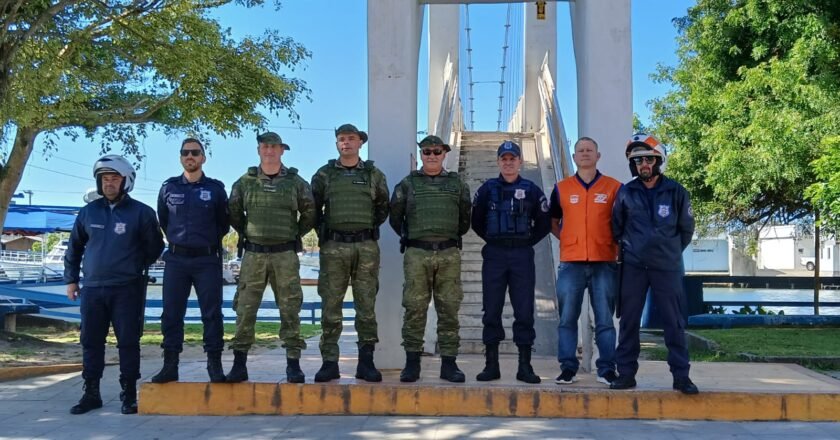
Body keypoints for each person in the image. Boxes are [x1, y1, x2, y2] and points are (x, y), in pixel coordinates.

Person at [64, 155, 165, 415]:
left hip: (127, 288)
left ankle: (128, 394)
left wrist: (132, 265)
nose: (109, 183)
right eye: (105, 179)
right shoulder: (88, 212)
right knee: (91, 341)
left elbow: (155, 247)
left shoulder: (142, 213)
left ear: (126, 181)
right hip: (93, 288)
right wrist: (71, 280)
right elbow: (74, 248)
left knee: (128, 342)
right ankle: (91, 393)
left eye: (114, 179)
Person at [610, 133, 699, 395]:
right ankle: (626, 374)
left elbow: (686, 230)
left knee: (673, 322)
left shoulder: (676, 191)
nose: (644, 165)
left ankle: (681, 377)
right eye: (638, 161)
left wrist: (668, 252)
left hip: (666, 268)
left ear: (658, 161)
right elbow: (616, 227)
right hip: (633, 268)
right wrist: (634, 251)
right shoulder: (626, 192)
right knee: (629, 321)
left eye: (648, 159)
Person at [226, 132, 316, 384]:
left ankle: (293, 364)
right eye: (265, 146)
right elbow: (234, 213)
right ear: (259, 150)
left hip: (284, 255)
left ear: (282, 150)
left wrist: (294, 235)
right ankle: (239, 364)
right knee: (245, 308)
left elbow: (310, 213)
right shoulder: (245, 182)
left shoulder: (296, 183)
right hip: (254, 254)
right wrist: (249, 234)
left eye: (274, 147)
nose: (269, 151)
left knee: (290, 308)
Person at [310, 123, 389, 383]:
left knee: (366, 306)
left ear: (360, 143)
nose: (346, 142)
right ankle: (329, 363)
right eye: (341, 139)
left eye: (351, 138)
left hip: (365, 247)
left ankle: (366, 363)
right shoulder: (324, 175)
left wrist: (364, 229)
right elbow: (313, 209)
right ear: (336, 143)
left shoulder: (373, 174)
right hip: (334, 247)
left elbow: (383, 207)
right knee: (330, 306)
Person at [389, 135, 472, 383]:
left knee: (449, 309)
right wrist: (414, 237)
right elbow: (395, 217)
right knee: (414, 308)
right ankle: (412, 364)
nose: (432, 156)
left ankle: (449, 364)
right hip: (417, 253)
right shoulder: (407, 184)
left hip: (448, 253)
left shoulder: (457, 184)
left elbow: (464, 218)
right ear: (421, 155)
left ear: (444, 154)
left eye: (436, 152)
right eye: (427, 152)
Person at [470, 140, 551, 384]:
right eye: (504, 159)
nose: (508, 163)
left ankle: (524, 367)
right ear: (498, 162)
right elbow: (476, 221)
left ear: (520, 162)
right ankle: (491, 365)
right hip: (495, 255)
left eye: (512, 159)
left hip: (522, 256)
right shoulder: (487, 189)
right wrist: (495, 240)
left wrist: (524, 242)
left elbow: (544, 223)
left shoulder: (532, 190)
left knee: (524, 311)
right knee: (491, 310)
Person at [151, 138, 229, 384]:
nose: (190, 156)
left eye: (195, 152)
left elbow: (223, 224)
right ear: (180, 157)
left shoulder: (215, 189)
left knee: (212, 313)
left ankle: (214, 364)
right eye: (185, 153)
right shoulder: (169, 188)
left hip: (207, 260)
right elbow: (164, 221)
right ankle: (170, 364)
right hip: (176, 260)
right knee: (171, 313)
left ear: (203, 158)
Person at [550, 137, 623, 386]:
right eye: (580, 150)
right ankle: (568, 368)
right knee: (567, 319)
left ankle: (606, 369)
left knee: (605, 320)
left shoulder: (614, 188)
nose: (585, 153)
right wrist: (569, 240)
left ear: (598, 156)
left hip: (604, 262)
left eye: (589, 150)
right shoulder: (562, 188)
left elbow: (623, 222)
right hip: (571, 263)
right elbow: (553, 221)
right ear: (574, 157)